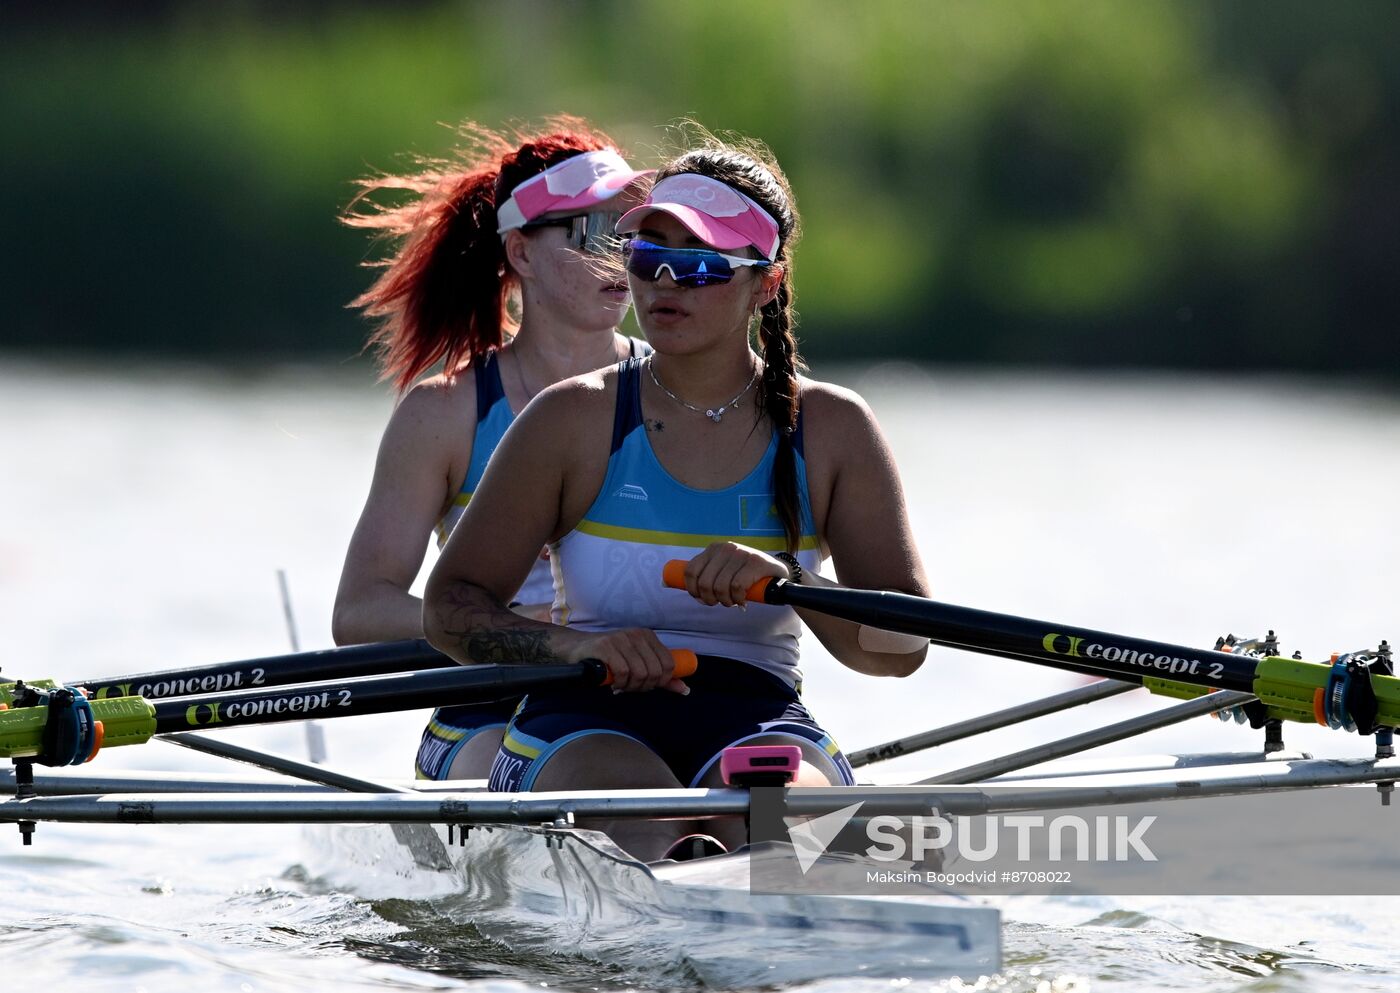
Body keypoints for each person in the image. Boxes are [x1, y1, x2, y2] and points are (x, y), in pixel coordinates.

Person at [423, 134, 930, 860]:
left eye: (696, 265)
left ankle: (758, 893)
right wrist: (580, 644)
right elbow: (451, 607)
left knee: (794, 833)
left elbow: (900, 649)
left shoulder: (833, 428)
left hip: (756, 714)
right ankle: (680, 884)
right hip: (582, 709)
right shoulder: (573, 418)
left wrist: (793, 587)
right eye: (645, 258)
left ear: (767, 282)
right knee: (645, 822)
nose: (663, 284)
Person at [331, 118, 652, 782]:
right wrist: (507, 627)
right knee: (541, 775)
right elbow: (360, 608)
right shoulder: (445, 412)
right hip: (489, 707)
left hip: (644, 696)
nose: (620, 255)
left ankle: (730, 849)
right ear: (522, 253)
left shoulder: (683, 392)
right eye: (591, 232)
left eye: (633, 230)